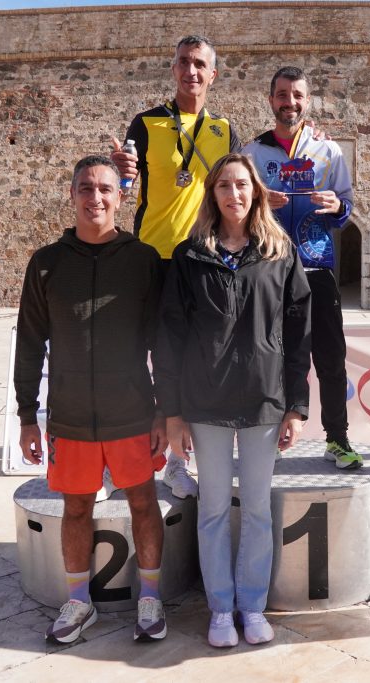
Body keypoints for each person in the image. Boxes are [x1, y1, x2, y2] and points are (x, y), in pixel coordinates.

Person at [155, 153, 311, 648]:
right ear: (212, 194)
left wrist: (296, 405)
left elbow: (298, 333)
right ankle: (221, 609)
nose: (234, 193)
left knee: (259, 509)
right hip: (206, 403)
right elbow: (170, 337)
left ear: (256, 192)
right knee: (214, 509)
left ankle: (253, 605)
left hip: (264, 400)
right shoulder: (190, 256)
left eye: (242, 184)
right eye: (224, 185)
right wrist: (172, 412)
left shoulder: (279, 253)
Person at [14, 156, 168, 644]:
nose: (95, 197)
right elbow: (29, 341)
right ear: (72, 194)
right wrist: (27, 415)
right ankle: (79, 602)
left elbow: (163, 342)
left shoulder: (144, 260)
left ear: (121, 197)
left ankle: (150, 597)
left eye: (105, 188)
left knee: (143, 503)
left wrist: (165, 410)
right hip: (71, 415)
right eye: (85, 187)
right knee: (76, 508)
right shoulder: (46, 263)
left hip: (133, 412)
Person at [111, 35, 241, 500]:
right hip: (150, 257)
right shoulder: (146, 123)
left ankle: (176, 464)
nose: (191, 71)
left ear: (213, 74)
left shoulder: (224, 129)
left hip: (201, 259)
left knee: (187, 361)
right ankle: (121, 459)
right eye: (184, 62)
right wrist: (121, 171)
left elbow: (236, 186)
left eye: (200, 64)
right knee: (134, 357)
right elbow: (125, 184)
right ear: (173, 69)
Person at [242, 65, 361, 469]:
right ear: (270, 99)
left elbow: (346, 207)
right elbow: (236, 209)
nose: (289, 102)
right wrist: (259, 202)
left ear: (308, 101)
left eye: (296, 95)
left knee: (330, 357)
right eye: (282, 94)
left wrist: (336, 204)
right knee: (269, 357)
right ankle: (269, 439)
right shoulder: (252, 153)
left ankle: (338, 439)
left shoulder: (329, 151)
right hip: (268, 268)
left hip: (316, 267)